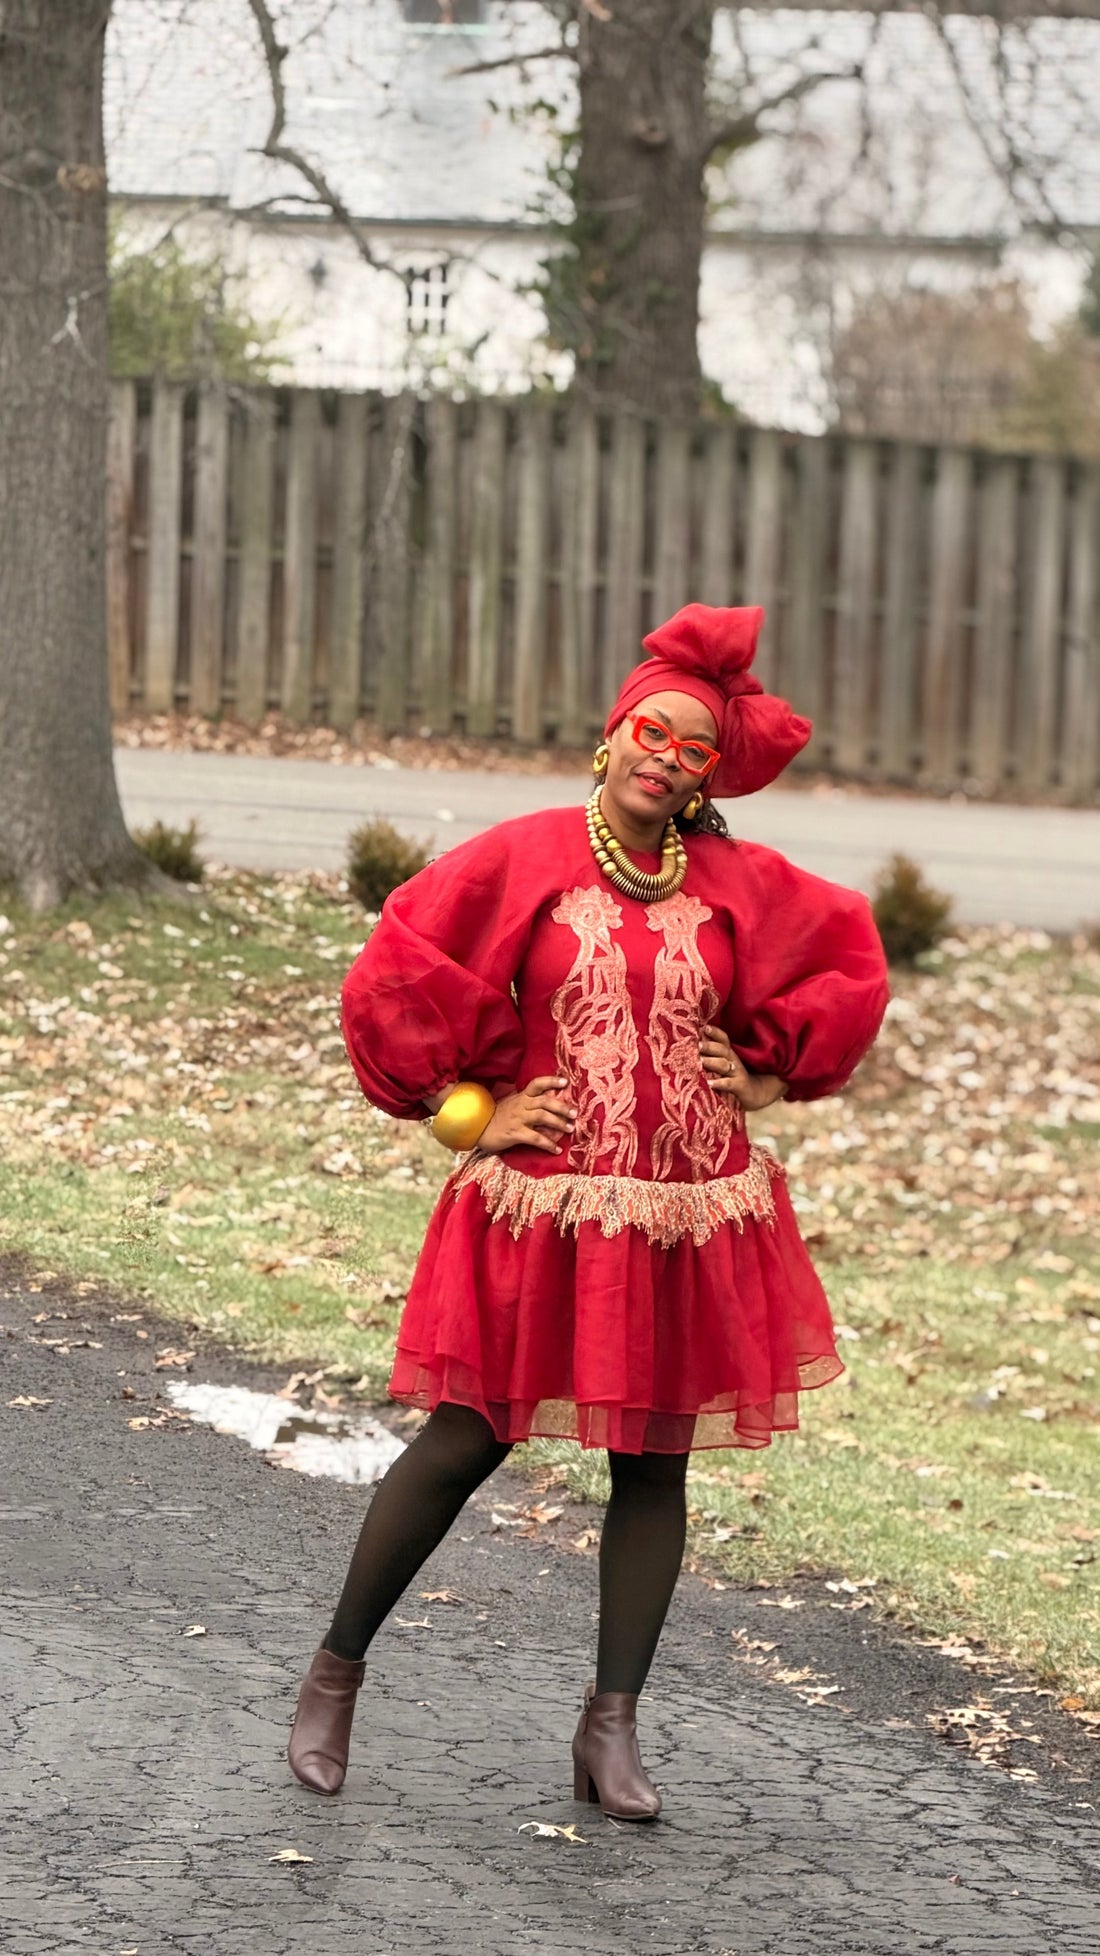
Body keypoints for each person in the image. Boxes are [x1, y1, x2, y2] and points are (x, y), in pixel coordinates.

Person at [287, 602, 889, 1820]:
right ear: (611, 735)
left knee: (654, 1466)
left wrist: (768, 1074)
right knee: (464, 1439)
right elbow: (397, 972)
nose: (668, 762)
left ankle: (609, 1729)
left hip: (685, 1214)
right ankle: (332, 1677)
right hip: (546, 1209)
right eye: (653, 736)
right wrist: (467, 1111)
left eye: (695, 753)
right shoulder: (519, 857)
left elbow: (847, 956)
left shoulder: (731, 881)